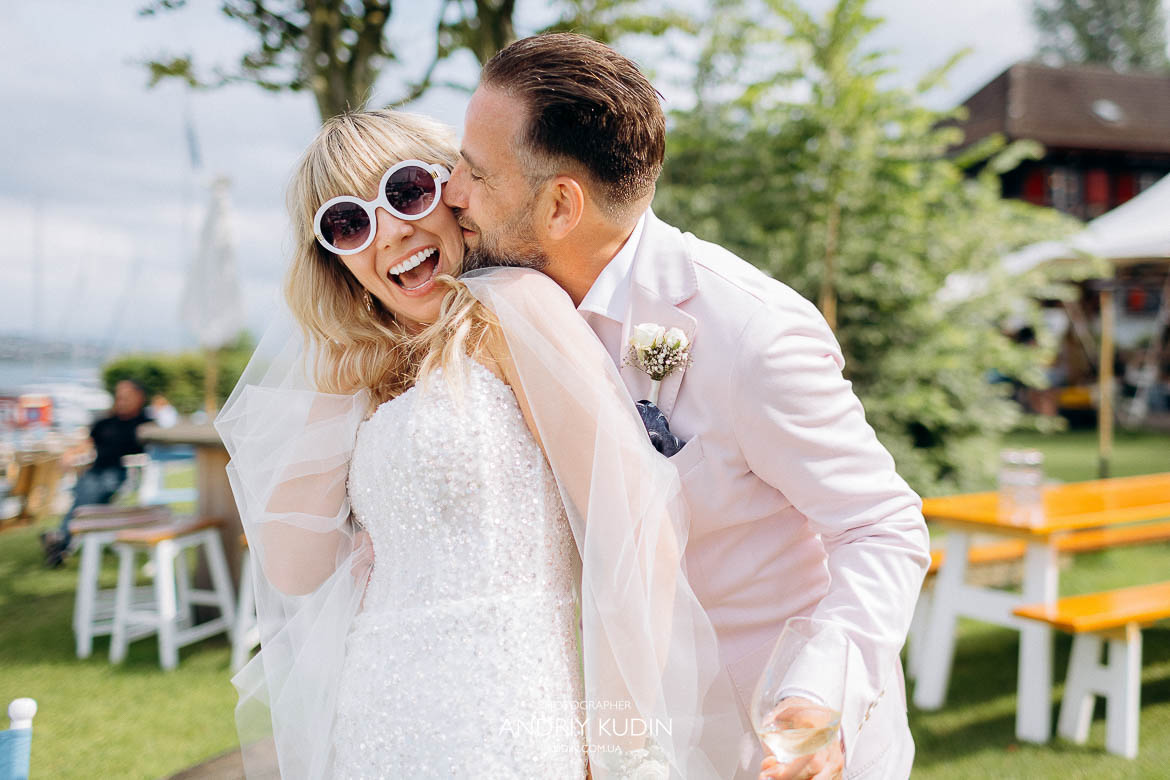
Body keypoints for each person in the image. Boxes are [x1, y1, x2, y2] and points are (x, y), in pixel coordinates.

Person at [443, 33, 933, 780]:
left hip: (758, 742)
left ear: (561, 205)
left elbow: (880, 525)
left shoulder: (751, 333)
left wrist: (817, 695)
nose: (451, 192)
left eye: (475, 173)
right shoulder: (492, 313)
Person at [216, 110, 742, 779]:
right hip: (376, 719)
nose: (391, 232)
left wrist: (622, 747)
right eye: (348, 224)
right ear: (333, 257)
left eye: (406, 191)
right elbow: (295, 568)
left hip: (510, 716)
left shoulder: (515, 307)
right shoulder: (368, 380)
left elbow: (634, 524)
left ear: (455, 189)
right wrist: (338, 360)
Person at [41, 379, 151, 567]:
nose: (121, 400)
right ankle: (62, 542)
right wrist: (69, 455)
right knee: (85, 491)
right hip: (95, 471)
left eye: (126, 396)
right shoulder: (104, 422)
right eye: (119, 396)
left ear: (139, 397)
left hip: (121, 473)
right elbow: (87, 444)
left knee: (86, 494)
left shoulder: (144, 424)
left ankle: (61, 539)